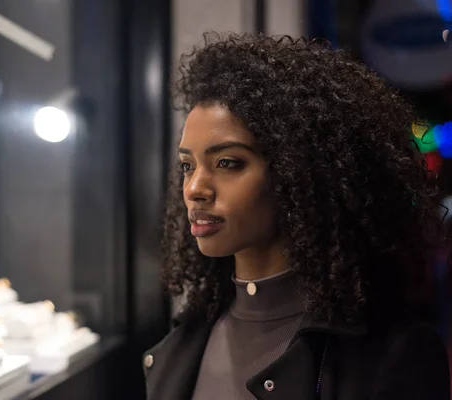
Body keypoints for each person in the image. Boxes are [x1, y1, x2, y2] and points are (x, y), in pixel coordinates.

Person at [144, 32, 451, 400]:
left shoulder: (391, 357)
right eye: (187, 166)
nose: (195, 188)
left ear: (297, 172)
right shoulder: (180, 344)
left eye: (227, 163)